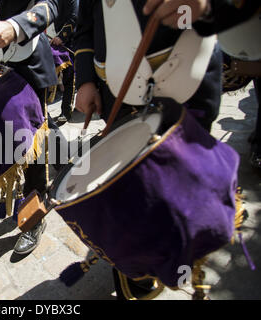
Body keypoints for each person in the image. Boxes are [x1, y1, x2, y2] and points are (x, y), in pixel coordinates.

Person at [74, 0, 259, 300]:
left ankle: (181, 258)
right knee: (129, 199)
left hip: (185, 88)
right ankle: (138, 278)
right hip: (117, 98)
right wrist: (84, 79)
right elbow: (86, 23)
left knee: (178, 196)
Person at [0, 0, 67, 255]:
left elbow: (51, 4)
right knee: (37, 127)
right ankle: (67, 161)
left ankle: (35, 216)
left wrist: (15, 26)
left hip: (30, 64)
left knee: (29, 140)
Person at [49, 0, 78, 123]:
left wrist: (62, 36)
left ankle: (66, 111)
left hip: (72, 41)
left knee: (69, 78)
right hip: (58, 40)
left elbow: (74, 17)